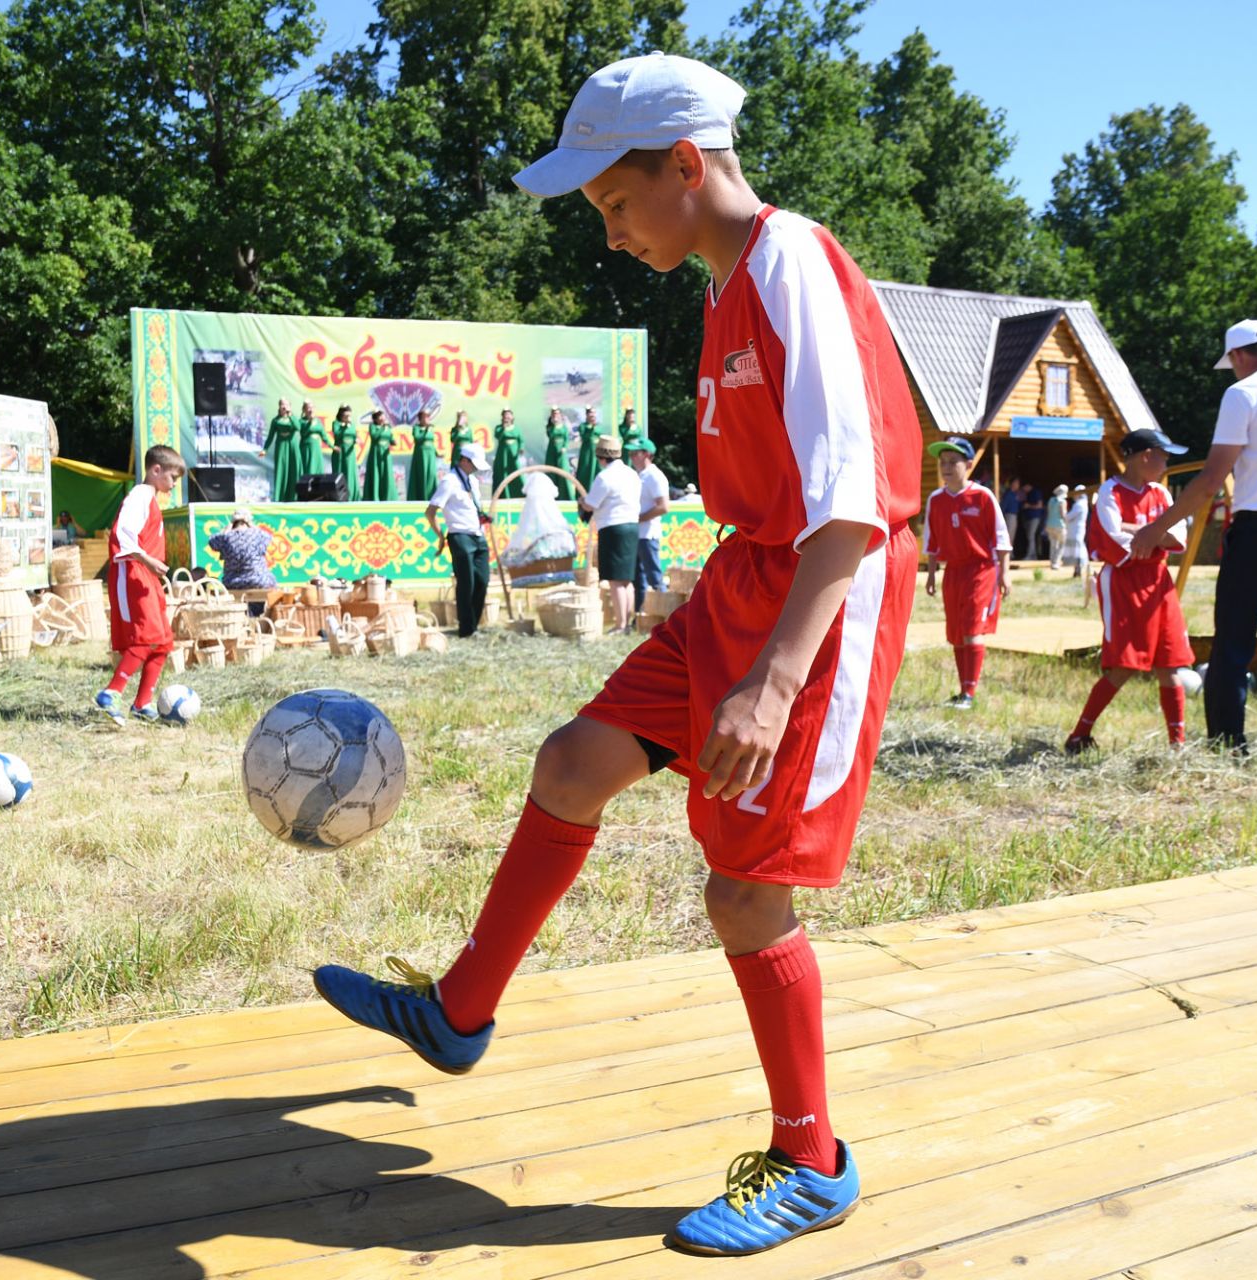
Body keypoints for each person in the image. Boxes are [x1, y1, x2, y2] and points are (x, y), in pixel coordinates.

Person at [311, 51, 924, 1257]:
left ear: (687, 164)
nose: (607, 235)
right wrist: (704, 599)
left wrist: (775, 674)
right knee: (571, 763)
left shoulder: (794, 259)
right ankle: (458, 1013)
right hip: (744, 588)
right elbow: (775, 490)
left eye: (613, 203)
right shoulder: (721, 285)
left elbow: (852, 502)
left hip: (823, 606)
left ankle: (811, 1156)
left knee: (746, 889)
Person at [1128, 319, 1257, 749]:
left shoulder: (1244, 394)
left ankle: (1227, 741)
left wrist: (1155, 528)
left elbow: (1208, 481)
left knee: (1234, 640)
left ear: (1239, 356)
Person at [1066, 428, 1194, 753]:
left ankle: (1177, 746)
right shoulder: (1110, 491)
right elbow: (1112, 539)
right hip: (1124, 581)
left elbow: (1180, 537)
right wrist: (1153, 533)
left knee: (1170, 663)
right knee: (1124, 664)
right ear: (1146, 455)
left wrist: (1137, 530)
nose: (1166, 463)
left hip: (1159, 582)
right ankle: (1079, 735)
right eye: (1163, 456)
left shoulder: (1161, 494)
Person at [94, 446, 183, 726]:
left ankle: (142, 703)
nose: (174, 483)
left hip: (147, 574)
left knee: (162, 641)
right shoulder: (139, 496)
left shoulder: (151, 498)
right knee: (146, 637)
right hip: (133, 571)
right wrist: (148, 560)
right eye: (172, 476)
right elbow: (122, 534)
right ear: (155, 470)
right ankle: (111, 693)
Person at [923, 436, 1010, 708]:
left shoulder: (983, 497)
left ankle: (970, 694)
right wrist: (931, 574)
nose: (946, 467)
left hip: (981, 571)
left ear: (969, 464)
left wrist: (1004, 574)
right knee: (957, 632)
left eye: (953, 462)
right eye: (942, 462)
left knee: (973, 629)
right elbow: (932, 542)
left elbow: (1001, 539)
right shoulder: (935, 500)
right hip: (953, 572)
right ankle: (962, 691)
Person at [427, 442, 493, 638]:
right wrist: (441, 536)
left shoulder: (472, 481)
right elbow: (431, 511)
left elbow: (474, 507)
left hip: (478, 535)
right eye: (473, 464)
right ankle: (467, 628)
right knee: (467, 583)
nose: (475, 469)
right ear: (464, 460)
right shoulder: (449, 481)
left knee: (483, 580)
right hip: (460, 536)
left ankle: (474, 623)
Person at [581, 434, 642, 634]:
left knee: (616, 580)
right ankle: (629, 620)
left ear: (601, 457)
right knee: (627, 579)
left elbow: (591, 504)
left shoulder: (605, 476)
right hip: (632, 526)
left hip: (613, 528)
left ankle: (620, 625)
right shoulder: (632, 474)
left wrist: (582, 502)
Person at [629, 435, 670, 610]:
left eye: (634, 453)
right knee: (639, 579)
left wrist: (638, 519)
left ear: (646, 454)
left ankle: (665, 612)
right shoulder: (642, 475)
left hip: (648, 534)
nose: (631, 456)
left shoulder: (654, 476)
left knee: (653, 576)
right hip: (640, 533)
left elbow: (663, 506)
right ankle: (640, 616)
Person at [207, 508, 276, 592]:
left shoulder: (226, 537)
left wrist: (226, 529)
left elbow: (212, 542)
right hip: (259, 581)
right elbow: (268, 537)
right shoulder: (258, 534)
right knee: (271, 579)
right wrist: (252, 525)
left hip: (232, 582)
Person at [263, 398, 302, 502]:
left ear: (290, 406)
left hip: (292, 447)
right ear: (279, 407)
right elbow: (270, 436)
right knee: (281, 470)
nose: (284, 407)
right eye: (282, 405)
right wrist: (265, 449)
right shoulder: (275, 420)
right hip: (281, 447)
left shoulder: (293, 418)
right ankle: (280, 497)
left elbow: (298, 427)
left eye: (286, 405)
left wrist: (290, 415)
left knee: (293, 471)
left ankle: (294, 497)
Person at [362, 410, 396, 503]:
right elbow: (374, 436)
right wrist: (382, 427)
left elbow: (391, 438)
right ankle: (375, 497)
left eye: (383, 416)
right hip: (375, 455)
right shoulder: (373, 427)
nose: (382, 418)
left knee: (386, 474)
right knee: (375, 474)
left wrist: (393, 442)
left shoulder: (388, 427)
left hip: (386, 455)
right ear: (375, 419)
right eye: (379, 416)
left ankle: (387, 497)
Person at [406, 409, 440, 504]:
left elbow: (431, 442)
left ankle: (431, 496)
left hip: (430, 455)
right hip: (421, 455)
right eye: (425, 417)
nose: (427, 419)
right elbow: (418, 438)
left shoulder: (430, 429)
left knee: (431, 474)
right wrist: (426, 430)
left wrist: (437, 453)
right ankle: (421, 497)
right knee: (422, 474)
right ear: (420, 419)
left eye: (428, 417)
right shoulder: (416, 428)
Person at [331, 406, 361, 501]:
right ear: (341, 415)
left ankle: (352, 496)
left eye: (349, 416)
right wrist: (343, 426)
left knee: (350, 474)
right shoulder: (336, 424)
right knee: (340, 473)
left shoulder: (351, 425)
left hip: (350, 454)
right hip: (340, 454)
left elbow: (355, 435)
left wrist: (357, 439)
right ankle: (340, 496)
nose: (348, 418)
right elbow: (336, 433)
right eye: (346, 415)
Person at [541, 407, 572, 500]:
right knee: (551, 473)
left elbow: (567, 439)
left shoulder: (564, 428)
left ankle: (566, 496)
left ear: (561, 415)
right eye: (554, 414)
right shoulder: (550, 427)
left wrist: (564, 448)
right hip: (551, 452)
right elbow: (550, 434)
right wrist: (553, 423)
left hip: (561, 453)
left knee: (563, 472)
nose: (556, 415)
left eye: (557, 413)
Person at [492, 408, 522, 499]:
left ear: (512, 417)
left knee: (516, 472)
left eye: (509, 415)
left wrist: (521, 449)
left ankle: (519, 494)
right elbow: (498, 437)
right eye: (505, 415)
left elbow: (521, 440)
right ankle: (502, 495)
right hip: (503, 455)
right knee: (502, 474)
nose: (507, 417)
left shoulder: (516, 428)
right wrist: (504, 428)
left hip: (513, 455)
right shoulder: (499, 428)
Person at [1065, 485, 1091, 583]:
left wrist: (1064, 514)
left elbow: (1069, 516)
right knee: (1078, 550)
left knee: (1078, 550)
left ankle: (1079, 569)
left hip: (1076, 530)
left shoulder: (1079, 504)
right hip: (1076, 529)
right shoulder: (1082, 504)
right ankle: (1077, 569)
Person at [298, 402, 331, 477]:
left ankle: (318, 488)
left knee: (318, 472)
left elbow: (324, 436)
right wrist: (310, 421)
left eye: (312, 407)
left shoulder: (318, 421)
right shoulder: (301, 421)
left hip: (316, 450)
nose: (311, 410)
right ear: (304, 410)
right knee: (308, 470)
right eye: (308, 408)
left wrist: (332, 446)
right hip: (306, 450)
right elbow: (303, 432)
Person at [574, 407, 601, 497]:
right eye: (590, 413)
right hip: (587, 453)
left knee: (597, 472)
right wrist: (591, 427)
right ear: (586, 415)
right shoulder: (583, 426)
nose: (592, 415)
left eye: (594, 413)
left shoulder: (598, 426)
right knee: (585, 472)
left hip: (596, 453)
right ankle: (582, 494)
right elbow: (585, 437)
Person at [1019, 483, 1045, 561]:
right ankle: (1033, 555)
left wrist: (1028, 506)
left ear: (1028, 486)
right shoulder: (1028, 494)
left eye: (1024, 488)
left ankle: (1030, 555)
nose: (1023, 490)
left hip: (1035, 517)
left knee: (1031, 536)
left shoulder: (1036, 492)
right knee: (1030, 536)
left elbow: (1040, 505)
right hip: (1028, 518)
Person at [1046, 483, 1068, 568]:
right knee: (1062, 544)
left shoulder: (1051, 500)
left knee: (1053, 544)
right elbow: (1063, 514)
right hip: (1059, 525)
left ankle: (1052, 562)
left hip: (1050, 524)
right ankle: (1056, 562)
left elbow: (1049, 512)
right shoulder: (1062, 501)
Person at [999, 476, 1022, 550]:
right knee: (1009, 534)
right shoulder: (1008, 494)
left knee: (1012, 534)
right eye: (1017, 483)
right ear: (1013, 484)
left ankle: (1010, 552)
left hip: (1014, 516)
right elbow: (1004, 506)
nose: (1018, 485)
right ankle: (1008, 552)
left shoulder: (1015, 494)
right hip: (1009, 516)